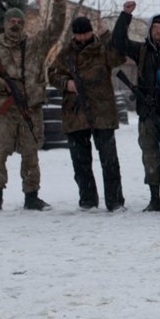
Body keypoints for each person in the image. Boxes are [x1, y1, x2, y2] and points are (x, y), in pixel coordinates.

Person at [0, 0, 66, 213]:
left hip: (30, 108)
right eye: (11, 21)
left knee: (31, 153)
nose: (15, 24)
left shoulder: (35, 45)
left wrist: (59, 4)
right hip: (3, 110)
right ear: (5, 23)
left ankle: (32, 197)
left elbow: (55, 29)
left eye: (19, 21)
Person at [111, 0, 160, 213]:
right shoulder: (142, 50)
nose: (157, 31)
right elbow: (118, 42)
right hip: (147, 112)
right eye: (154, 27)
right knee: (150, 155)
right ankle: (155, 198)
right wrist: (125, 16)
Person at [49, 16, 127, 211]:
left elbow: (118, 58)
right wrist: (66, 84)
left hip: (102, 111)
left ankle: (115, 201)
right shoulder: (66, 53)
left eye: (85, 33)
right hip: (75, 112)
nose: (82, 37)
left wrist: (107, 35)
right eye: (79, 34)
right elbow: (52, 74)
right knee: (80, 162)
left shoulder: (102, 48)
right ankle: (88, 201)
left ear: (92, 31)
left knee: (109, 161)